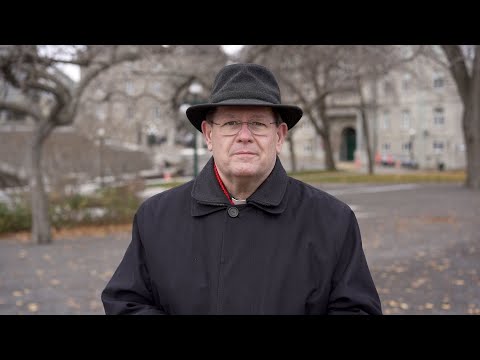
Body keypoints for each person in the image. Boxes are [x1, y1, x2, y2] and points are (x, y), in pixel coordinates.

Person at [101, 63, 382, 315]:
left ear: (279, 136)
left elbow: (357, 309)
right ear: (209, 135)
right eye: (231, 122)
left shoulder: (332, 220)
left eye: (258, 124)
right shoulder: (156, 217)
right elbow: (126, 303)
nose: (244, 136)